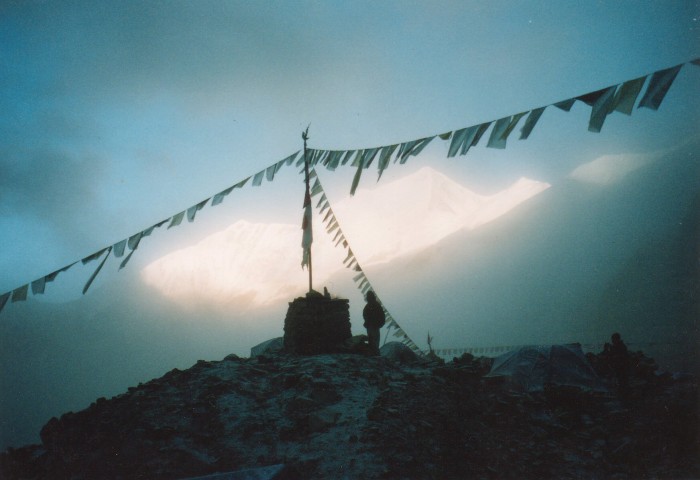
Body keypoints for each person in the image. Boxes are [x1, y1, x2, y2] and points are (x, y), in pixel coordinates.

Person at [363, 291, 385, 356]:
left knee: (373, 341)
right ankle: (375, 354)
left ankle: (374, 354)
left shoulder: (369, 306)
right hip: (373, 326)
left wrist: (368, 322)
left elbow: (365, 315)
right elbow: (382, 316)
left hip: (372, 326)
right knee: (374, 341)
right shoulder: (376, 305)